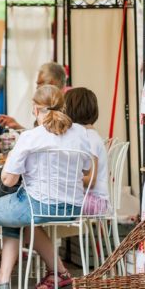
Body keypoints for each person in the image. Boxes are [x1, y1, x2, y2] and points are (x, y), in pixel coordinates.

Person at [0, 85, 92, 289]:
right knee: (9, 211)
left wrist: (14, 161)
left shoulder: (31, 136)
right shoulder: (80, 133)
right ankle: (1, 280)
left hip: (37, 206)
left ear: (35, 109)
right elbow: (86, 169)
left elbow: (8, 181)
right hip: (72, 207)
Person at [64, 87, 110, 215]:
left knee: (52, 202)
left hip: (94, 201)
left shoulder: (89, 138)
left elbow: (91, 180)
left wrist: (65, 179)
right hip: (93, 199)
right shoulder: (89, 135)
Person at [0, 62, 67, 130]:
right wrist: (16, 126)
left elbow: (46, 136)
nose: (37, 88)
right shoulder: (50, 105)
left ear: (52, 83)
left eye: (40, 83)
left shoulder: (66, 104)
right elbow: (40, 135)